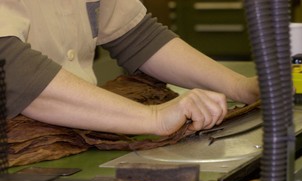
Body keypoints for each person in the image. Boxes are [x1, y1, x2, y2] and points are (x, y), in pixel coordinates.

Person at [0, 0, 259, 136]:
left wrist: (240, 87)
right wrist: (153, 118)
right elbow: (14, 72)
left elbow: (137, 37)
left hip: (73, 129)